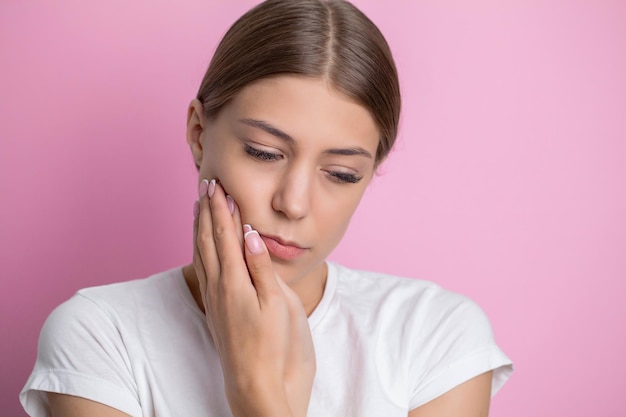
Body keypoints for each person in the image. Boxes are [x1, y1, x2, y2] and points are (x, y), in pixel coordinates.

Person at [20, 0, 513, 416]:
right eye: (263, 153)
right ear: (198, 134)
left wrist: (260, 399)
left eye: (341, 174)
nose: (293, 204)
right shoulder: (101, 335)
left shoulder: (436, 336)